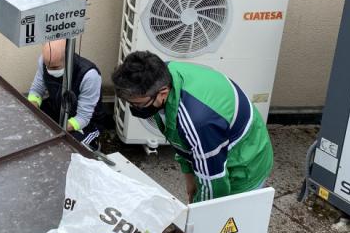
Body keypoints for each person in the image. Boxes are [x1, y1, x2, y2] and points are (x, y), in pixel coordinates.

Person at [112, 51, 272, 204]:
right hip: (221, 143)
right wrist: (190, 177)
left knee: (228, 225)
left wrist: (199, 216)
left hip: (245, 165)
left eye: (137, 103)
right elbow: (182, 141)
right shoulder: (163, 74)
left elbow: (213, 185)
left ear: (163, 93)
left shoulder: (199, 122)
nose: (133, 107)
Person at [28, 40, 106, 150]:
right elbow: (36, 91)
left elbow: (83, 117)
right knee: (29, 125)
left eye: (54, 67)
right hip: (58, 109)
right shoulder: (45, 60)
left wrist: (55, 130)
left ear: (68, 58)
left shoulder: (89, 75)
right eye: (47, 66)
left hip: (86, 123)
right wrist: (32, 109)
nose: (49, 70)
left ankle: (93, 144)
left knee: (69, 148)